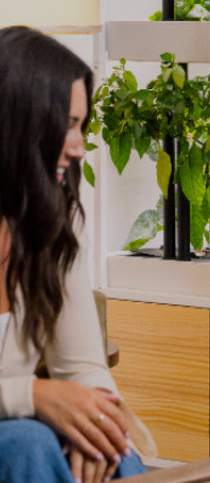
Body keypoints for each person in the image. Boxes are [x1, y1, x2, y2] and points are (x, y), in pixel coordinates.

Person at [0, 26, 153, 483]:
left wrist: (97, 423)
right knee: (30, 443)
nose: (80, 145)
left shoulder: (51, 220)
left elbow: (84, 367)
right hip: (19, 440)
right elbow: (38, 402)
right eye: (67, 124)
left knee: (111, 447)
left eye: (81, 125)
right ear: (19, 119)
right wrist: (34, 397)